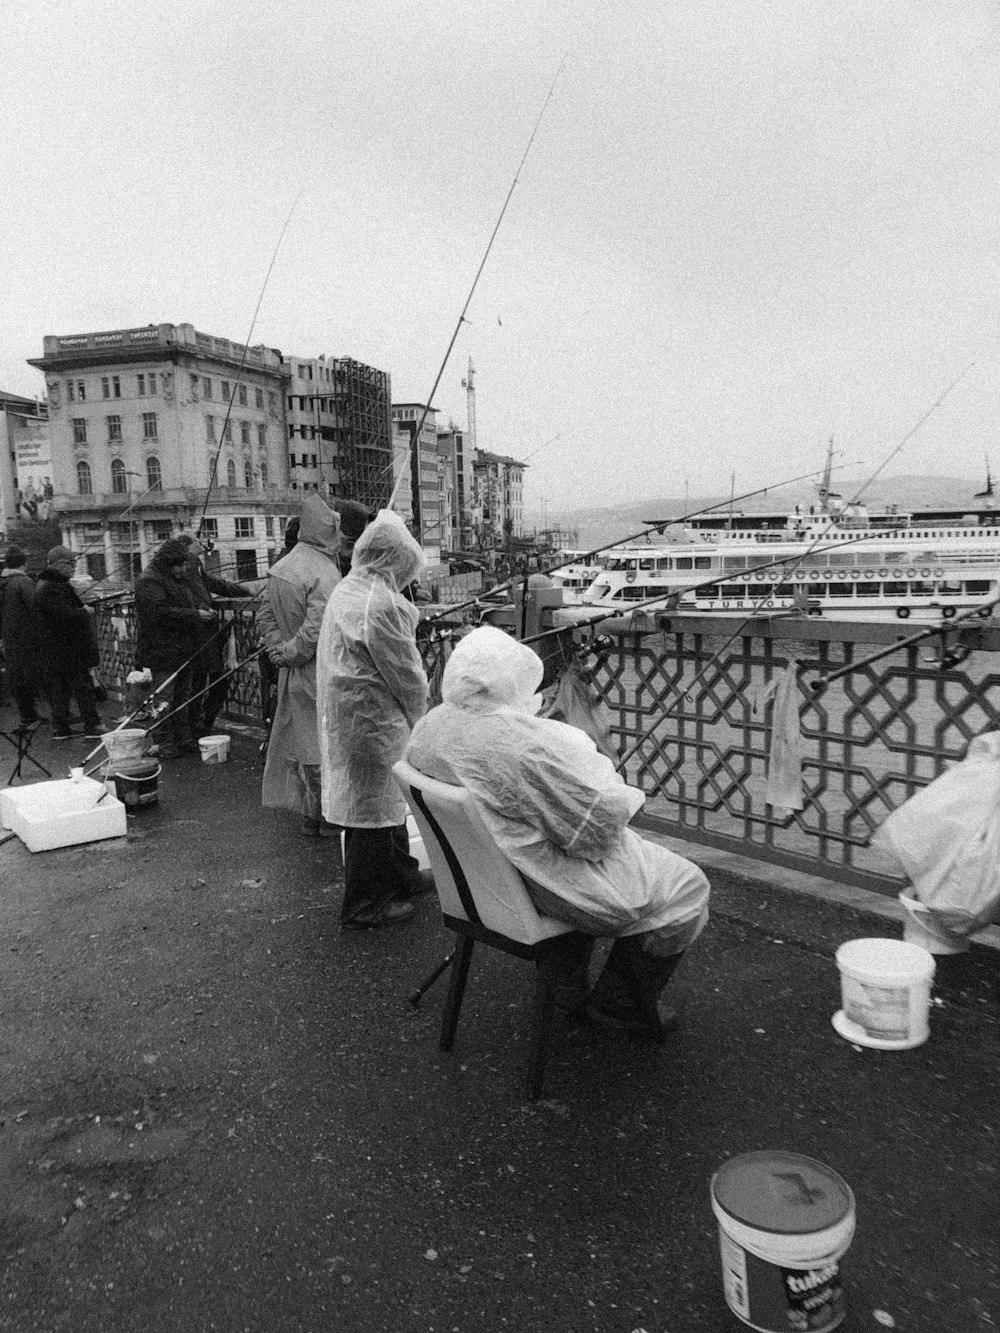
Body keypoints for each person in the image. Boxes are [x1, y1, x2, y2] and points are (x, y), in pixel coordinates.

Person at [404, 626, 711, 1037]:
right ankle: (620, 1004)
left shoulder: (430, 725)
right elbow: (595, 835)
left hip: (484, 885)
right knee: (689, 886)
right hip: (539, 887)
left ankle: (567, 983)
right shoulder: (527, 748)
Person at [317, 510, 429, 928]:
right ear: (396, 560)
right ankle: (365, 906)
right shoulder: (381, 604)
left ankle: (401, 876)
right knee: (371, 814)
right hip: (372, 720)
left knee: (386, 803)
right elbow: (406, 674)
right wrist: (424, 719)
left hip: (350, 715)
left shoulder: (350, 588)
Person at [259, 495, 342, 835]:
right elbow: (317, 628)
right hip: (317, 670)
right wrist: (292, 652)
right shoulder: (324, 571)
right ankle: (327, 818)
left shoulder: (283, 567)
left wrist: (278, 650)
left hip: (290, 671)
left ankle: (310, 815)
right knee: (323, 747)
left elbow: (265, 615)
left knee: (301, 744)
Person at [134, 539, 214, 758]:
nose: (182, 570)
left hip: (181, 649)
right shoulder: (149, 581)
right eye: (178, 566)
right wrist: (195, 615)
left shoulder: (172, 578)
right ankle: (164, 742)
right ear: (168, 564)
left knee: (182, 697)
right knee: (164, 699)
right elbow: (160, 613)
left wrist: (198, 608)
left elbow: (180, 603)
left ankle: (183, 739)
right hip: (161, 650)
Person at [176, 534, 253, 738]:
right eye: (196, 542)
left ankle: (195, 726)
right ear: (186, 547)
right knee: (215, 677)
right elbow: (196, 590)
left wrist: (243, 590)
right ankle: (200, 725)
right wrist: (202, 609)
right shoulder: (190, 561)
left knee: (199, 680)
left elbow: (214, 584)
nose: (201, 544)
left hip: (196, 631)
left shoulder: (192, 563)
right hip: (202, 630)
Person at [34, 546, 104, 740]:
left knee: (61, 689)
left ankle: (61, 728)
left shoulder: (47, 583)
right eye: (69, 563)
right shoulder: (52, 587)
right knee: (83, 686)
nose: (73, 566)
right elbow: (62, 614)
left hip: (57, 648)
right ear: (58, 565)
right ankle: (92, 725)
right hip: (68, 648)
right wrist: (85, 612)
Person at [0, 546, 42, 729]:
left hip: (8, 637)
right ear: (24, 563)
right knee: (35, 674)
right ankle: (34, 717)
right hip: (26, 636)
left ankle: (27, 715)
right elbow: (36, 608)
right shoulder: (23, 582)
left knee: (18, 676)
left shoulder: (4, 581)